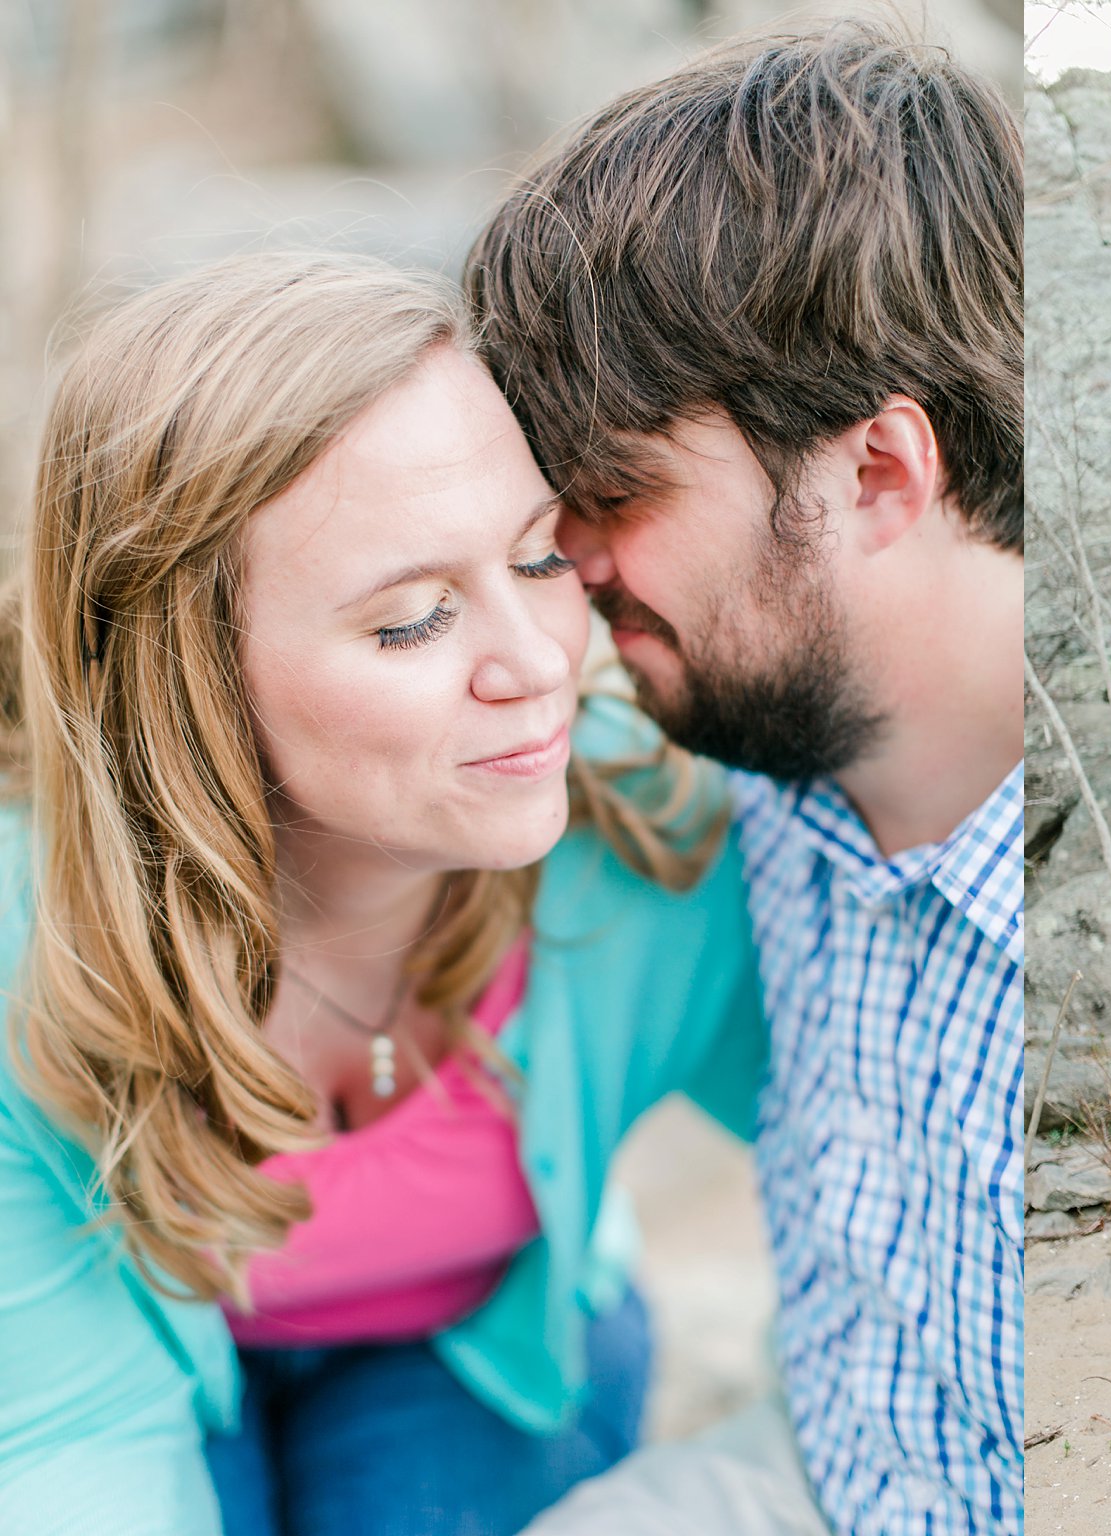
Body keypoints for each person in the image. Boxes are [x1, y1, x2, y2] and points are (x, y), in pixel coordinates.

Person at [0, 252, 765, 1536]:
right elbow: (78, 1439)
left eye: (536, 560)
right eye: (412, 619)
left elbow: (909, 1176)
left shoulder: (656, 839)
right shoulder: (33, 945)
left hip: (477, 1344)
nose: (536, 666)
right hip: (143, 1360)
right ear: (191, 681)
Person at [465, 23, 1023, 1536]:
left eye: (615, 494)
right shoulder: (747, 760)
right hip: (820, 1473)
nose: (566, 573)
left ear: (877, 476)